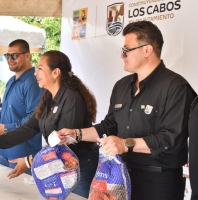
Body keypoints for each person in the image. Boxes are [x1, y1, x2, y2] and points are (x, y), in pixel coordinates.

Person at [58, 21, 197, 200]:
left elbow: (171, 139)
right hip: (119, 178)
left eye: (126, 50)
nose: (122, 56)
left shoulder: (176, 87)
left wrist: (126, 144)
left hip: (159, 182)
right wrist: (76, 134)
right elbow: (109, 127)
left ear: (147, 50)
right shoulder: (122, 86)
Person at [0, 50, 98, 198]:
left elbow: (65, 144)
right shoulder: (48, 97)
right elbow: (28, 129)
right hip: (58, 165)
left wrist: (28, 161)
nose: (36, 73)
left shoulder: (72, 99)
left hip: (80, 166)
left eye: (40, 69)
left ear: (55, 72)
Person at [0, 39, 43, 172]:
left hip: (23, 153)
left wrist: (6, 128)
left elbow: (35, 119)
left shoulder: (33, 82)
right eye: (7, 56)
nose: (10, 59)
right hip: (4, 149)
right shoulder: (11, 81)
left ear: (27, 56)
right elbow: (6, 108)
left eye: (14, 55)